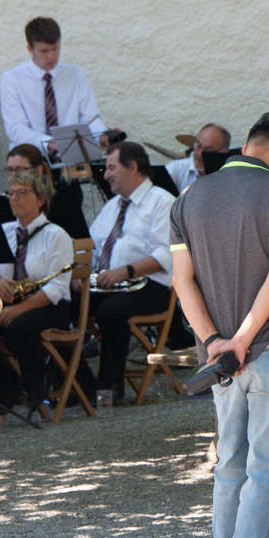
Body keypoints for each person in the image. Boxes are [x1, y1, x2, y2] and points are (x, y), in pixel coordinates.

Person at [169, 112, 269, 538]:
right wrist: (243, 339)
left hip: (220, 357)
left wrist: (215, 340)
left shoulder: (189, 196)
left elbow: (182, 281)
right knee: (265, 466)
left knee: (229, 461)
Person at [0, 168, 75, 414]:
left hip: (49, 306)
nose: (14, 198)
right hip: (10, 303)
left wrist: (18, 310)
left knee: (15, 329)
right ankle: (6, 385)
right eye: (11, 193)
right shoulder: (5, 231)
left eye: (22, 192)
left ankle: (38, 381)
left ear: (41, 200)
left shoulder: (56, 235)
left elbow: (57, 287)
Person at [0, 16, 110, 236]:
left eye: (55, 49)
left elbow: (90, 117)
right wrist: (51, 143)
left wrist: (102, 136)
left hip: (67, 168)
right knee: (30, 229)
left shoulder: (75, 74)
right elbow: (16, 129)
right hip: (31, 168)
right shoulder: (12, 78)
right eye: (44, 51)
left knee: (69, 231)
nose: (51, 56)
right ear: (30, 49)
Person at [87, 141, 176, 405]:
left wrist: (124, 272)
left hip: (150, 287)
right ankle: (78, 383)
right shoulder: (112, 206)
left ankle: (110, 385)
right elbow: (93, 249)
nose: (106, 175)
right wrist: (80, 276)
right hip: (110, 285)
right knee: (64, 305)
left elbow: (166, 255)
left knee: (111, 312)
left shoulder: (162, 202)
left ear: (133, 167)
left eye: (111, 168)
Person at [166, 125, 230, 193]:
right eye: (198, 146)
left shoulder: (230, 177)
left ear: (224, 152)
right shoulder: (178, 167)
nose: (199, 154)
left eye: (208, 150)